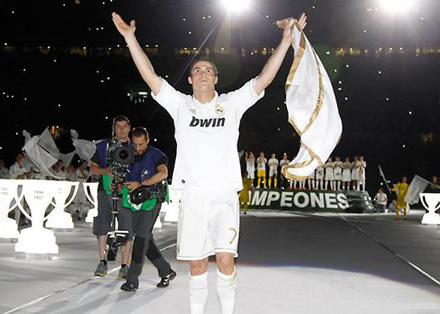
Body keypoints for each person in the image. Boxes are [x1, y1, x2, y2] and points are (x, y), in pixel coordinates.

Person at [112, 11, 307, 314]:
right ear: (190, 80)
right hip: (192, 197)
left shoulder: (231, 104)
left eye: (208, 70)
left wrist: (285, 40)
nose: (203, 73)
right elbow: (150, 76)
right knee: (197, 263)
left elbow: (265, 77)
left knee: (226, 259)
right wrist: (129, 38)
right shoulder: (180, 105)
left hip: (223, 196)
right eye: (198, 70)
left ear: (216, 78)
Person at [119, 127, 176, 292]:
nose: (137, 148)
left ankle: (132, 279)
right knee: (145, 239)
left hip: (152, 199)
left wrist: (142, 184)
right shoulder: (128, 153)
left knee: (141, 239)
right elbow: (124, 175)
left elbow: (163, 174)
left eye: (141, 144)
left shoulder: (156, 155)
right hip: (135, 201)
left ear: (148, 141)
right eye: (135, 144)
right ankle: (166, 271)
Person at [90, 115, 134, 278]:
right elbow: (93, 169)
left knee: (127, 226)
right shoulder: (103, 146)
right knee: (102, 224)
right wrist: (105, 171)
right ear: (114, 128)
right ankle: (102, 262)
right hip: (105, 190)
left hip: (126, 192)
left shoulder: (134, 147)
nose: (122, 130)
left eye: (125, 126)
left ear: (129, 128)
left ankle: (125, 265)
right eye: (118, 126)